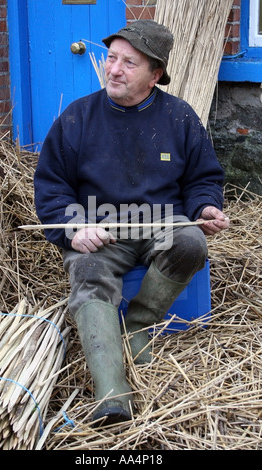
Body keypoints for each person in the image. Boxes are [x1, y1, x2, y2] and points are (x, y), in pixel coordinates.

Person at [34, 19, 229, 426]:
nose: (114, 69)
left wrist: (205, 207)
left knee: (192, 244)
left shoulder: (179, 117)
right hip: (100, 231)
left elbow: (202, 178)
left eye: (129, 63)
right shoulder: (77, 118)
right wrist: (73, 225)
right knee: (88, 271)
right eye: (112, 58)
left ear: (155, 74)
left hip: (162, 224)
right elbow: (51, 187)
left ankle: (138, 326)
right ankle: (111, 396)